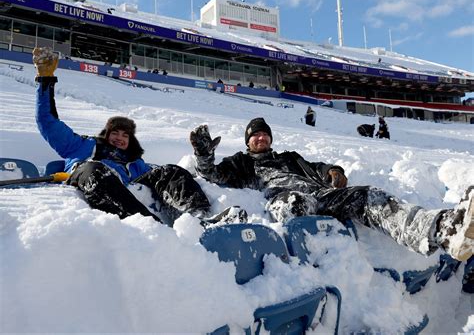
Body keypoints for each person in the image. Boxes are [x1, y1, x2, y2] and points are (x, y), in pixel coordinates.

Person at [189, 117, 473, 262]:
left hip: (323, 196)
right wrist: (203, 156)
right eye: (255, 135)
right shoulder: (241, 163)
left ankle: (444, 229)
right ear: (248, 141)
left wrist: (334, 172)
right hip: (282, 200)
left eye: (264, 134)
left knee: (368, 196)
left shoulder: (290, 157)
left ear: (270, 138)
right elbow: (214, 176)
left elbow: (319, 167)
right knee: (294, 204)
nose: (260, 138)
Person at [33, 47, 211, 226]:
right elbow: (46, 121)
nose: (119, 138)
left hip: (126, 186)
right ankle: (154, 228)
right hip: (89, 177)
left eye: (125, 135)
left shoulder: (135, 163)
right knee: (95, 170)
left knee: (171, 171)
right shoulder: (81, 145)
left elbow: (164, 177)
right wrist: (45, 80)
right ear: (106, 135)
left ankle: (199, 219)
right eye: (114, 133)